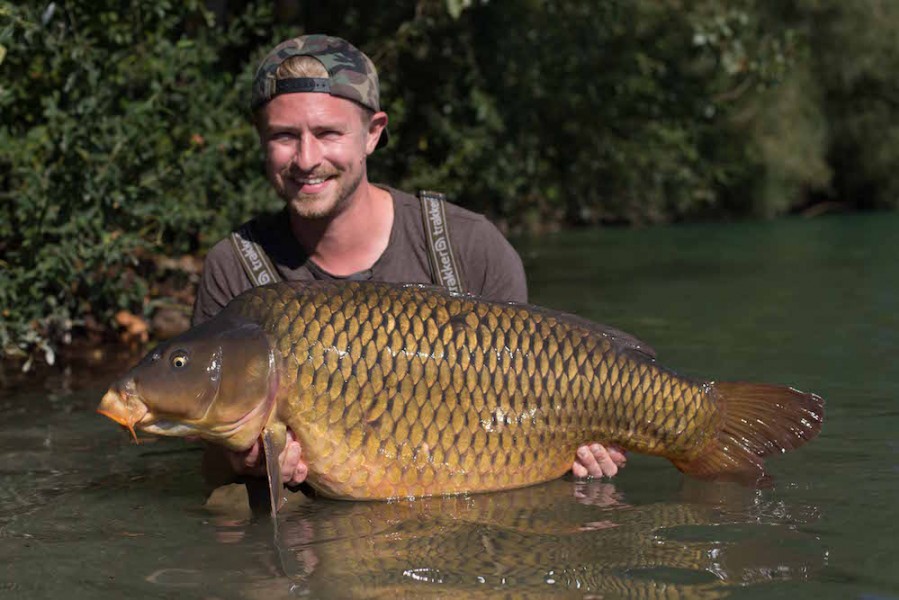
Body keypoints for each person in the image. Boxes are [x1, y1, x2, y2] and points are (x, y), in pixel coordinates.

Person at [193, 34, 626, 496]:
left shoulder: (470, 247)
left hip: (465, 506)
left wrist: (581, 451)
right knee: (231, 505)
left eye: (328, 134)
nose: (307, 159)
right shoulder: (235, 268)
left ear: (373, 133)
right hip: (317, 513)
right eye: (284, 136)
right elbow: (205, 451)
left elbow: (523, 400)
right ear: (261, 139)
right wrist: (238, 461)